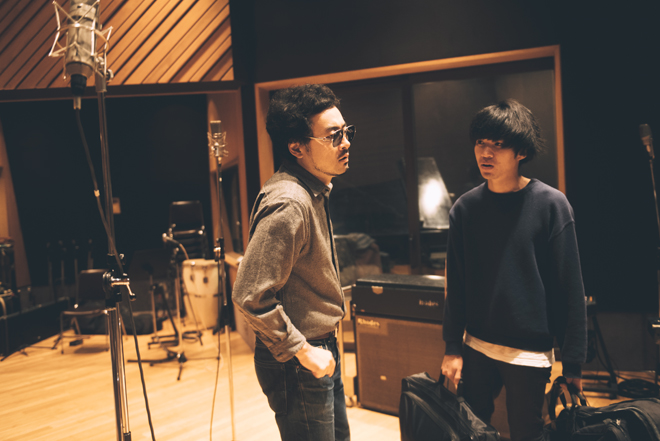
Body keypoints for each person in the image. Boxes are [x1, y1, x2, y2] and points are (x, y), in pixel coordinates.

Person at [441, 99, 587, 441]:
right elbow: (456, 284)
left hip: (530, 353)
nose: (486, 152)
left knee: (527, 434)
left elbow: (570, 288)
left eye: (498, 144)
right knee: (471, 433)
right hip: (477, 345)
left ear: (521, 151)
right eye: (481, 142)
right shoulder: (465, 208)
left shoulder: (551, 205)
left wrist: (573, 363)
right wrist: (452, 347)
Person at [232, 84, 354, 441]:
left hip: (317, 349)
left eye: (346, 131)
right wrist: (303, 351)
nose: (346, 143)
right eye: (333, 136)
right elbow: (250, 294)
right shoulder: (290, 202)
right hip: (301, 360)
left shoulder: (312, 190)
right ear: (296, 147)